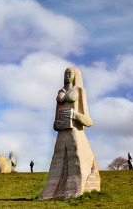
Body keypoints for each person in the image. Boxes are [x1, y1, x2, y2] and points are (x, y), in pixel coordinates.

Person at [38, 67, 99, 200]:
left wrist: (75, 115)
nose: (67, 75)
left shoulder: (79, 91)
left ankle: (75, 191)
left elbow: (88, 121)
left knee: (76, 161)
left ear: (75, 75)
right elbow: (55, 120)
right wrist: (56, 124)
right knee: (57, 163)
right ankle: (50, 193)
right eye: (65, 73)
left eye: (70, 73)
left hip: (75, 133)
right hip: (61, 134)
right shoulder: (60, 92)